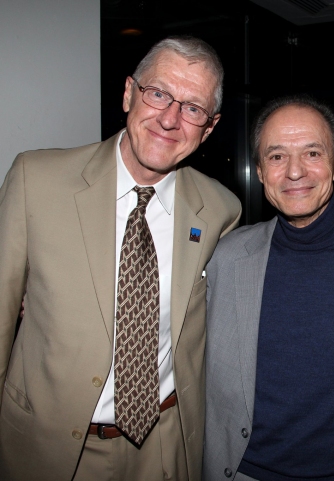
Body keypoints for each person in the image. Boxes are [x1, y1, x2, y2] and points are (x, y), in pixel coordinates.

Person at [0, 36, 241, 481]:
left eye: (192, 108)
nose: (170, 118)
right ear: (129, 93)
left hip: (166, 444)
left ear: (209, 128)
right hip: (52, 447)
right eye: (158, 93)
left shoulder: (221, 210)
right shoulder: (36, 180)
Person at [203, 95, 334, 481]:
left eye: (312, 153)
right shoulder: (223, 258)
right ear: (261, 171)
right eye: (277, 156)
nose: (294, 172)